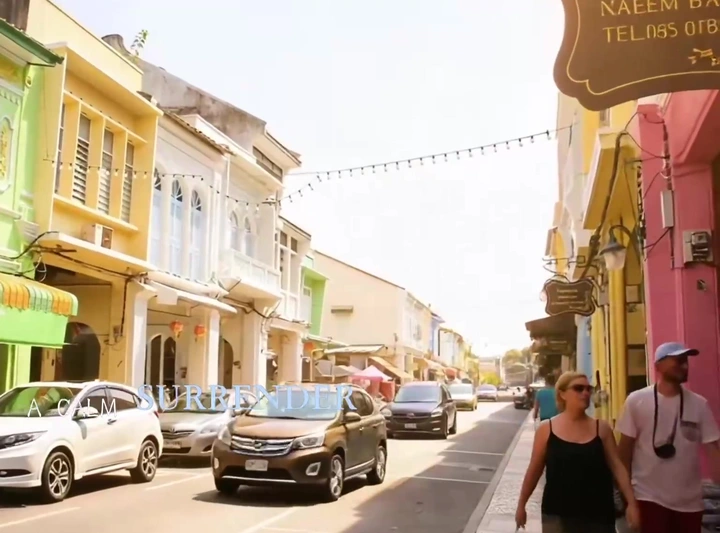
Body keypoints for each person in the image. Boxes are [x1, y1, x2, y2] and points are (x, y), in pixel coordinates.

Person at [515, 371, 639, 533]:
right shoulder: (546, 429)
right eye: (578, 388)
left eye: (588, 389)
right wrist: (521, 505)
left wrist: (631, 503)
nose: (585, 393)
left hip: (599, 515)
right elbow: (534, 470)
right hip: (557, 514)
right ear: (562, 394)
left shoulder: (601, 428)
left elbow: (617, 467)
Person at [617, 342, 720, 533]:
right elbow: (624, 452)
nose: (685, 366)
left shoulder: (699, 404)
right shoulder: (636, 401)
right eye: (678, 361)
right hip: (648, 497)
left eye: (686, 361)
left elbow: (713, 450)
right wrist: (628, 499)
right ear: (659, 365)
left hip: (689, 503)